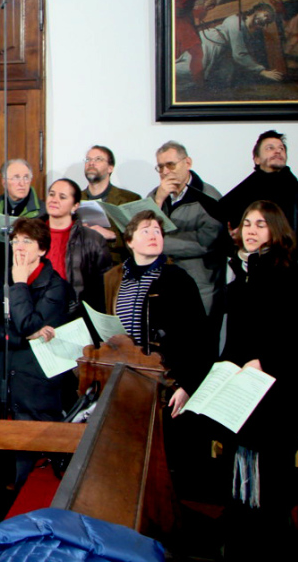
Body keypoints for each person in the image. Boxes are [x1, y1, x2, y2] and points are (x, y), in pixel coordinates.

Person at [219, 201, 298, 559]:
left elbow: (292, 335)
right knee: (238, 476)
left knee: (272, 478)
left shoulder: (289, 275)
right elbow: (234, 339)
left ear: (276, 230)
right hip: (241, 389)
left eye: (261, 224)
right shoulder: (241, 278)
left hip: (275, 393)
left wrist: (264, 361)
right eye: (247, 223)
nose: (251, 230)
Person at [0, 218, 71, 484]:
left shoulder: (56, 286)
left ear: (42, 249)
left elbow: (29, 323)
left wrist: (20, 284)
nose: (19, 247)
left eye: (27, 241)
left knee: (29, 465)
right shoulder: (4, 280)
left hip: (34, 384)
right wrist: (21, 338)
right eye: (15, 241)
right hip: (3, 378)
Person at [104, 211, 212, 412]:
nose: (153, 236)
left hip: (163, 380)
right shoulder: (113, 279)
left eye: (157, 231)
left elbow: (199, 337)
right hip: (121, 377)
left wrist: (187, 384)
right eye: (145, 231)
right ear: (129, 241)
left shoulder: (178, 279)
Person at [147, 141, 226, 318]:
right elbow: (141, 231)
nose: (165, 172)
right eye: (160, 167)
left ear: (187, 163)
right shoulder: (155, 195)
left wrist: (158, 243)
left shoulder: (209, 197)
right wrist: (158, 201)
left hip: (201, 286)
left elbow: (206, 241)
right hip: (163, 283)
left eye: (170, 165)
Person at [0, 159, 46, 307]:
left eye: (26, 177)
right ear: (4, 182)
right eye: (16, 177)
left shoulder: (42, 212)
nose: (22, 183)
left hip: (28, 287)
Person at [44, 178, 111, 313]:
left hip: (75, 312)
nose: (54, 200)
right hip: (37, 311)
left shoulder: (93, 240)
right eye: (51, 194)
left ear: (75, 206)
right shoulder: (30, 233)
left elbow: (102, 288)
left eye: (62, 197)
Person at [220, 130, 298, 234]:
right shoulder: (244, 189)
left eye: (281, 148)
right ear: (257, 159)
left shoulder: (295, 189)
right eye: (270, 148)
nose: (278, 151)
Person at [80, 145, 141, 265]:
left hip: (116, 266)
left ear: (110, 168)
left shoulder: (130, 199)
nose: (91, 163)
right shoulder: (75, 199)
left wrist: (113, 236)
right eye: (88, 159)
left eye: (98, 159)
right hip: (81, 264)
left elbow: (140, 240)